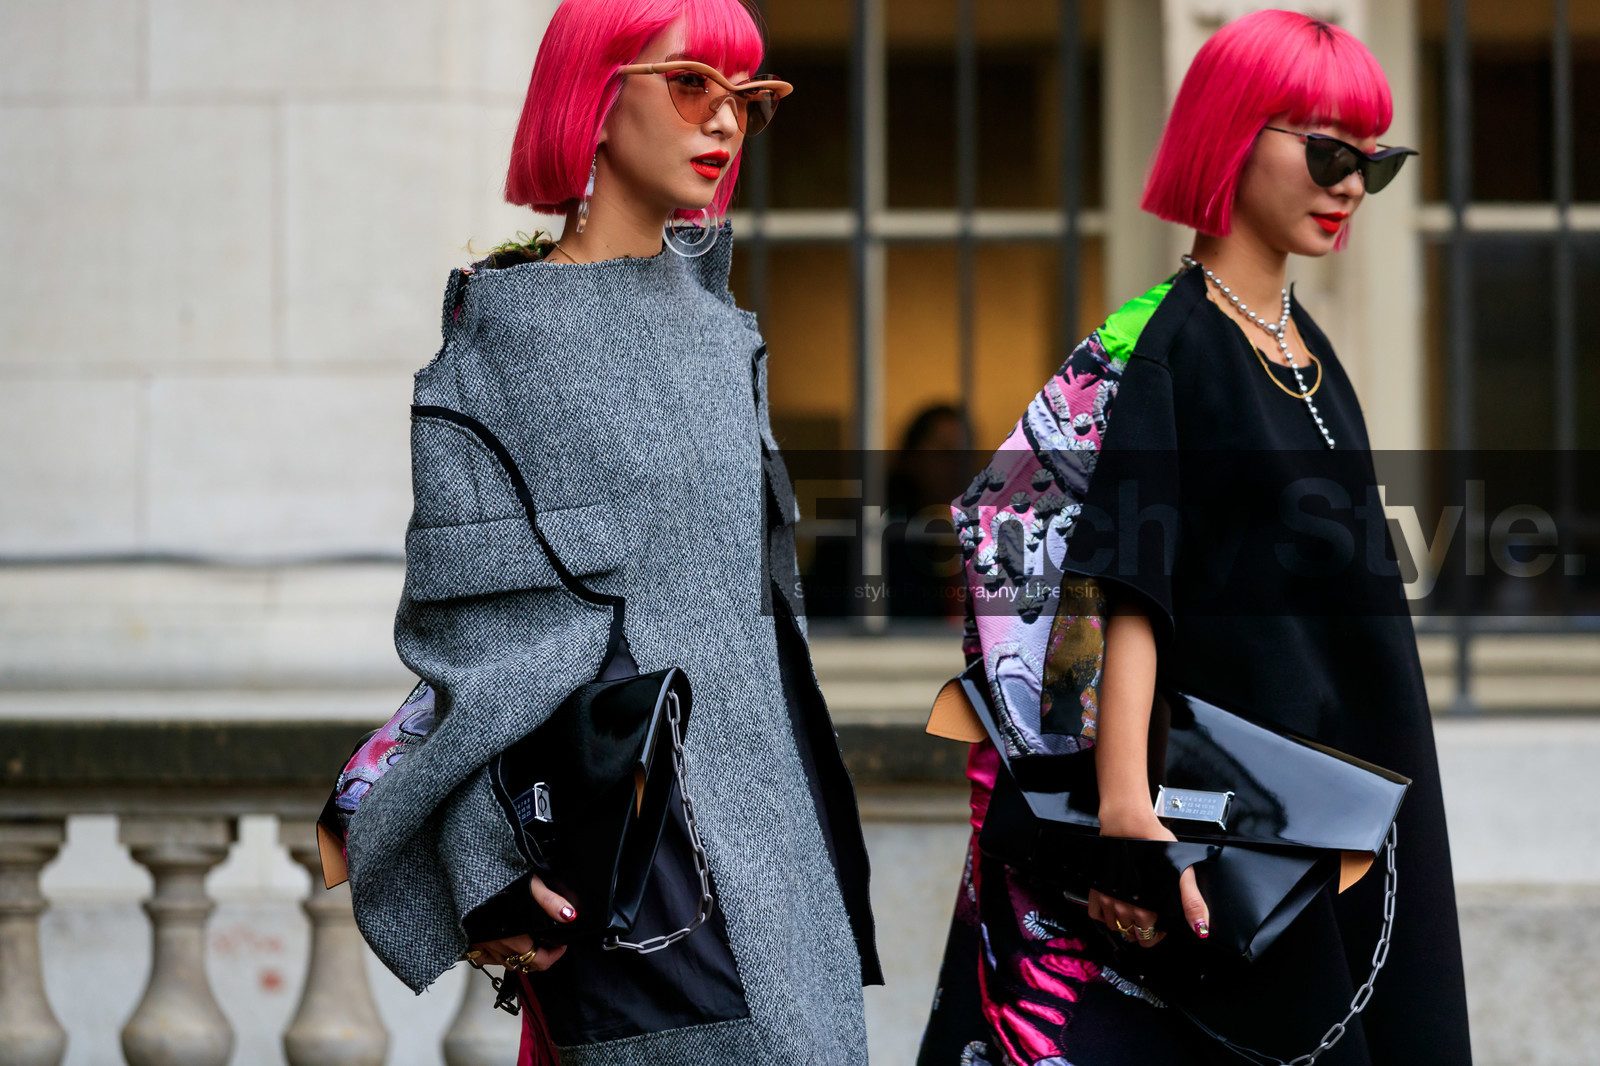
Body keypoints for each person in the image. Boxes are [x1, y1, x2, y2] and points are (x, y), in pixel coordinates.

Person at [918, 11, 1471, 1065]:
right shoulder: (1174, 343)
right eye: (1326, 151)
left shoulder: (1298, 342)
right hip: (1252, 812)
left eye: (1374, 161)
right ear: (1228, 134)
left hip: (1340, 789)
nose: (1350, 182)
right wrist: (1130, 810)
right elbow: (1130, 588)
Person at [340, 0, 881, 1062]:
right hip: (646, 873)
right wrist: (488, 858)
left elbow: (766, 626)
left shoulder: (725, 331)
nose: (722, 121)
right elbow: (472, 639)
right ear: (593, 96)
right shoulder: (510, 340)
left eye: (746, 98)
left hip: (781, 843)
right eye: (690, 84)